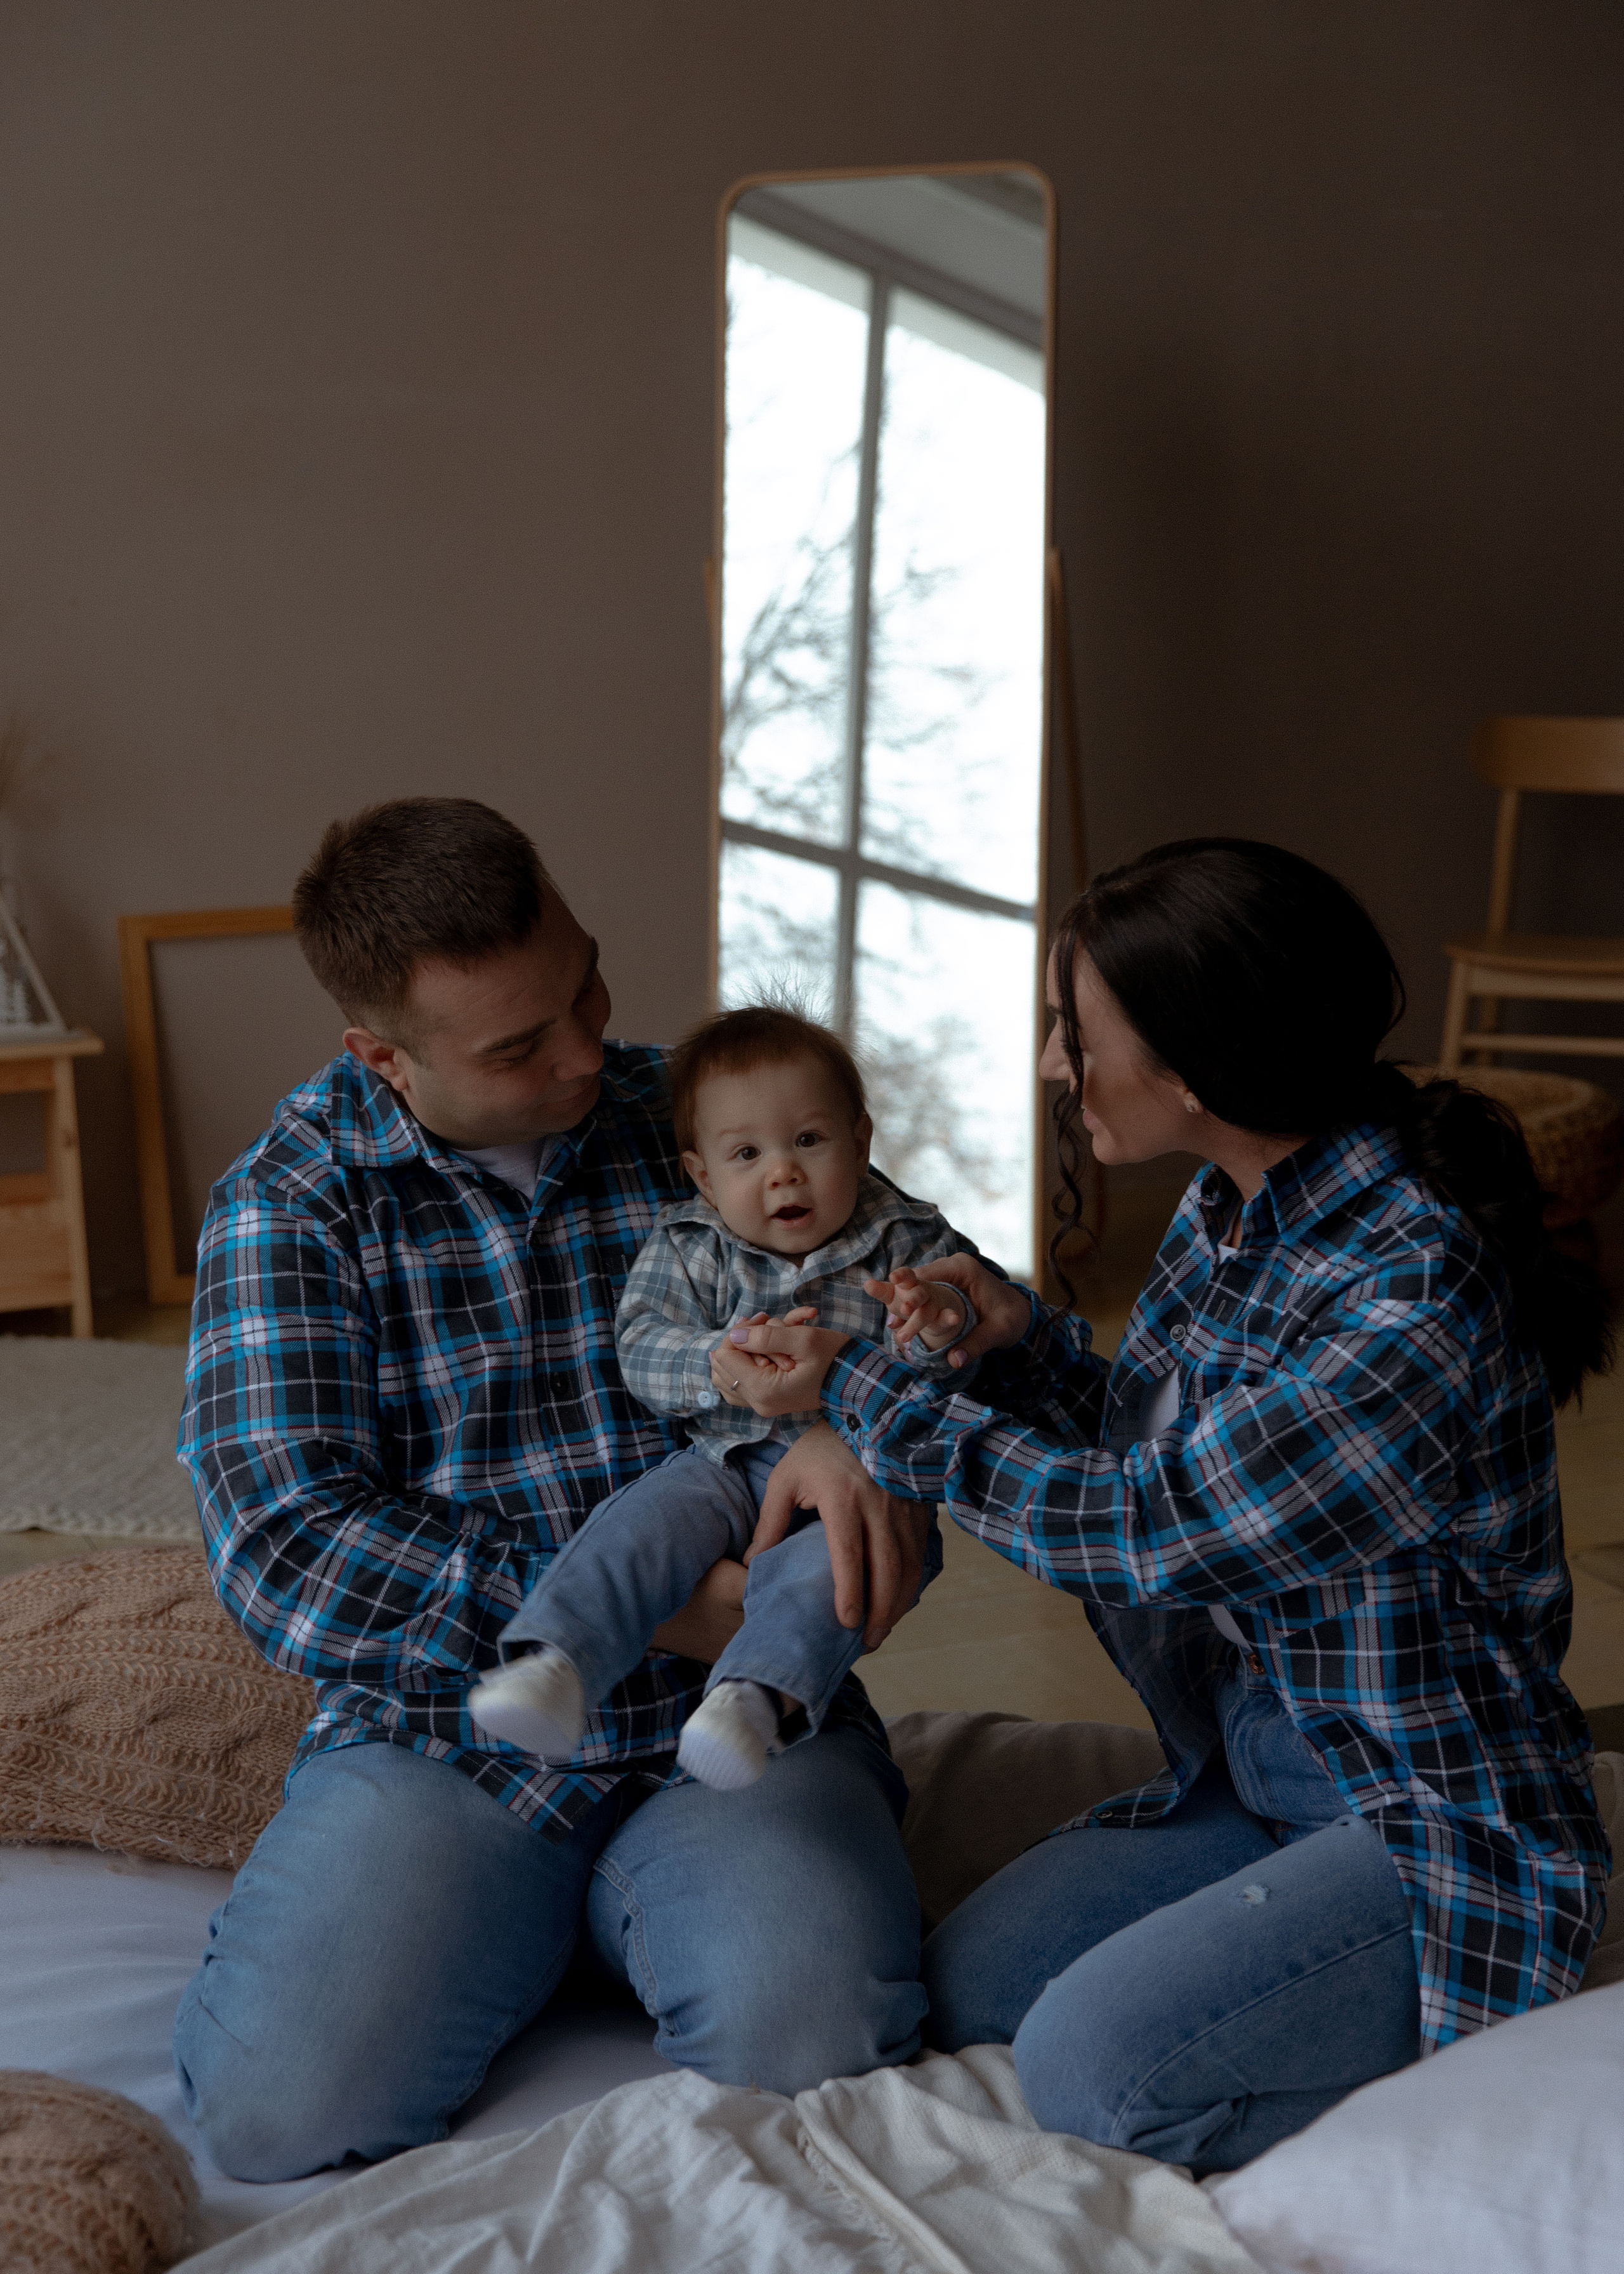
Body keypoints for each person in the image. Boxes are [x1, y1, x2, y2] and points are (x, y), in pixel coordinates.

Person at [724, 837, 1614, 2176]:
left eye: (1071, 1034)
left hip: (1415, 1812)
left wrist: (864, 1395)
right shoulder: (1229, 1204)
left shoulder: (1406, 1297)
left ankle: (1485, 2020)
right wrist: (1008, 1345)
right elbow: (1144, 1443)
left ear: (1195, 1065)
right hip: (1246, 1768)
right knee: (975, 1991)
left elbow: (1148, 1529)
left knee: (1097, 2073)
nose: (1047, 1066)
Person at [172, 798, 934, 2183]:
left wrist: (848, 1435)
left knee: (811, 2025)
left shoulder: (701, 1118)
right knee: (277, 2112)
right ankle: (546, 1911)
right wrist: (645, 1612)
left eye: (583, 984)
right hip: (454, 1732)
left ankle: (628, 1907)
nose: (589, 1051)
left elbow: (922, 1323)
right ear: (381, 1058)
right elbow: (285, 1550)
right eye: (521, 1045)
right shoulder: (293, 1204)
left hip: (737, 1719)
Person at [468, 1004, 975, 1791]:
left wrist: (936, 1326)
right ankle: (554, 1664)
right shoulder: (690, 1242)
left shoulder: (907, 1239)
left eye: (810, 1139)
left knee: (830, 1573)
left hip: (852, 1479)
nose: (784, 1171)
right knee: (637, 1528)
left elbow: (969, 1353)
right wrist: (717, 1360)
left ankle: (748, 1700)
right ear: (703, 1173)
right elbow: (639, 1342)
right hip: (721, 1457)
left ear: (860, 1139)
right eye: (747, 1152)